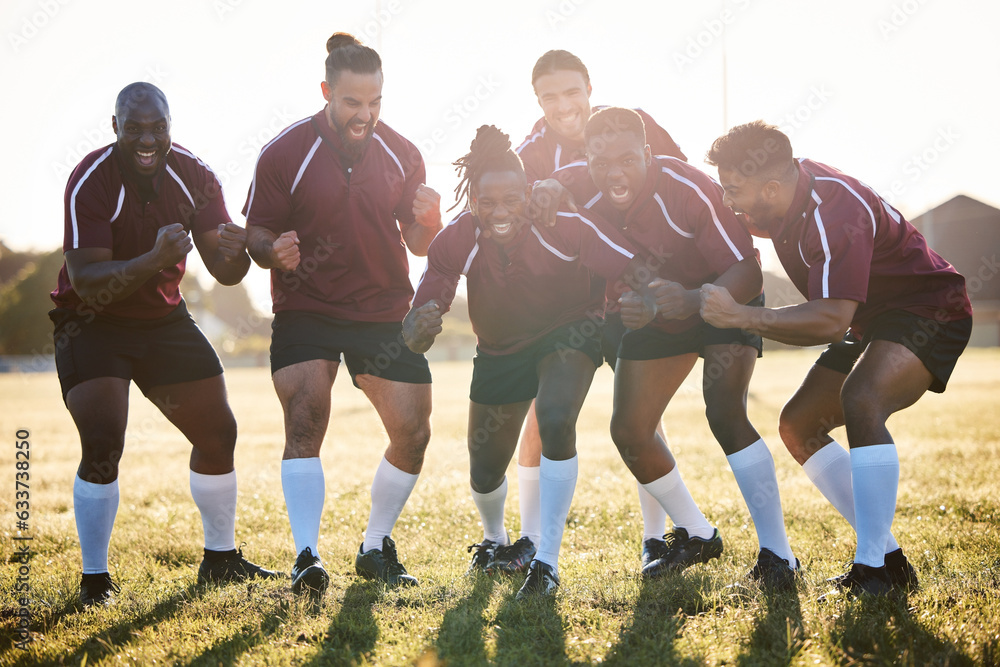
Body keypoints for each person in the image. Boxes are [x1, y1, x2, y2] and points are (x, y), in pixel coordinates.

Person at [702, 120, 973, 597]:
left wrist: (740, 316)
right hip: (872, 319)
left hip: (929, 309)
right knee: (798, 424)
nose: (729, 201)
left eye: (734, 190)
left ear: (770, 186)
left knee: (862, 399)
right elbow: (722, 214)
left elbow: (828, 320)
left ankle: (872, 571)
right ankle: (889, 560)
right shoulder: (779, 197)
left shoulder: (833, 210)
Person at [531, 108, 800, 589]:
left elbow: (748, 271)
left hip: (721, 297)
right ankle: (697, 533)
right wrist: (546, 187)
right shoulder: (577, 179)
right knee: (631, 431)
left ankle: (778, 555)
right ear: (586, 159)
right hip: (658, 308)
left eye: (627, 159)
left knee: (724, 411)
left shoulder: (688, 187)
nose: (614, 172)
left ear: (648, 154)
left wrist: (696, 300)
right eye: (600, 161)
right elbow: (551, 183)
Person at [49, 82, 280, 608]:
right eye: (135, 128)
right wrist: (153, 260)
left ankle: (220, 560)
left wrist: (237, 250)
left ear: (171, 127)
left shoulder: (194, 176)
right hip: (92, 320)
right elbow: (87, 280)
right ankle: (94, 581)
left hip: (161, 320)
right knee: (104, 442)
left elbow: (225, 272)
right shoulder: (91, 179)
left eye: (159, 127)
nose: (147, 139)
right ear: (116, 129)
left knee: (218, 432)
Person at [402, 125, 655, 598]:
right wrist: (417, 326)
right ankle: (494, 540)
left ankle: (547, 561)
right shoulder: (459, 237)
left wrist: (645, 301)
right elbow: (428, 298)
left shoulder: (559, 221)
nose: (501, 212)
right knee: (484, 468)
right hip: (499, 349)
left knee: (557, 417)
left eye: (512, 200)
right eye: (488, 202)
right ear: (473, 200)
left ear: (530, 193)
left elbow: (632, 264)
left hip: (569, 331)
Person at [244, 33, 443, 596]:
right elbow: (256, 230)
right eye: (354, 102)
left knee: (413, 431)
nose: (366, 114)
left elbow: (420, 242)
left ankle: (375, 547)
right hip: (306, 305)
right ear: (327, 91)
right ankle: (306, 556)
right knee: (306, 416)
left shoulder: (402, 153)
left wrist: (428, 223)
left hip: (383, 308)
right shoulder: (285, 152)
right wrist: (269, 249)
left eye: (376, 102)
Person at [514, 49, 688, 572]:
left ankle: (656, 539)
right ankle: (527, 540)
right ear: (538, 101)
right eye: (550, 96)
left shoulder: (632, 127)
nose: (563, 105)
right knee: (543, 418)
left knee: (642, 416)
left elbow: (678, 187)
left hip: (630, 294)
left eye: (572, 92)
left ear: (590, 87)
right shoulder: (529, 154)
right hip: (567, 306)